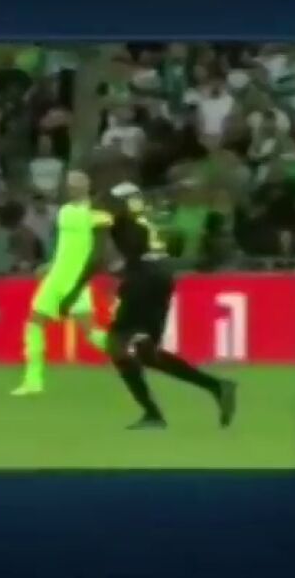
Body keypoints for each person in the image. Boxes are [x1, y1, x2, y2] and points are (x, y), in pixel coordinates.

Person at [67, 182, 236, 429]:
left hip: (142, 279)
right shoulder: (145, 219)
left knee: (117, 344)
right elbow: (148, 250)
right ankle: (217, 386)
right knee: (148, 354)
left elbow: (96, 259)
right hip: (162, 278)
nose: (102, 204)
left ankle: (153, 414)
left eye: (108, 200)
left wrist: (72, 293)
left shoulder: (110, 219)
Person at [10, 170, 109, 396]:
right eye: (70, 183)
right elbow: (63, 245)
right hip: (56, 276)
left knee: (90, 332)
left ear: (87, 185)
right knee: (34, 322)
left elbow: (100, 247)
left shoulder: (97, 213)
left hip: (77, 279)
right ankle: (33, 381)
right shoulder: (63, 211)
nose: (73, 186)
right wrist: (50, 264)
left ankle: (129, 353)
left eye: (77, 182)